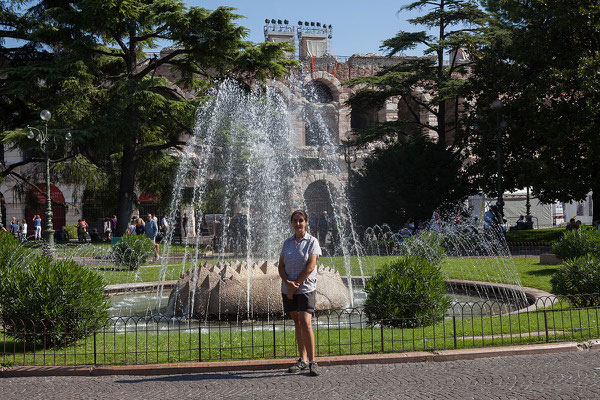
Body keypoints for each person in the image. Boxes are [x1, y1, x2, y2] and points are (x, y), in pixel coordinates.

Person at [278, 210, 322, 377]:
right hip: (288, 289)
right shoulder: (287, 243)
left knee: (306, 322)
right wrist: (287, 283)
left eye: (301, 220)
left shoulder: (312, 242)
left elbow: (311, 266)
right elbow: (280, 265)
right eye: (295, 221)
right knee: (297, 323)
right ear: (291, 223)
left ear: (306, 222)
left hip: (305, 289)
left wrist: (294, 286)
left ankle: (312, 361)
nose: (298, 224)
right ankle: (302, 360)